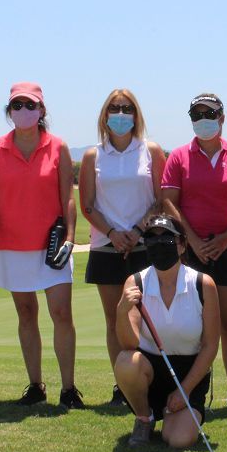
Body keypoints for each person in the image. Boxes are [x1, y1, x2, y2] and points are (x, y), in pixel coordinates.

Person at [0, 81, 83, 408]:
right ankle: (35, 385)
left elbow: (68, 195)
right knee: (26, 313)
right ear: (9, 112)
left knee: (61, 313)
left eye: (30, 105)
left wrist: (69, 236)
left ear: (41, 110)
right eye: (17, 106)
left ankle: (68, 388)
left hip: (51, 244)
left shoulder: (58, 146)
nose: (23, 111)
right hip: (11, 243)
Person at [162, 93, 227, 413]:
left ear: (222, 118)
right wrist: (192, 239)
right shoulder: (179, 156)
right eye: (196, 114)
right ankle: (193, 392)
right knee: (193, 325)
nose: (203, 119)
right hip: (191, 249)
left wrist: (226, 238)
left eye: (209, 113)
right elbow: (169, 200)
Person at [79, 89, 165, 406]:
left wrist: (137, 230)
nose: (120, 113)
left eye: (126, 108)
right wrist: (114, 233)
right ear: (105, 115)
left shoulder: (150, 151)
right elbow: (87, 206)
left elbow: (160, 200)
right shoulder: (93, 155)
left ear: (135, 114)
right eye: (114, 108)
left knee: (149, 318)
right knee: (115, 320)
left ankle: (151, 381)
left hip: (145, 245)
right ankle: (122, 387)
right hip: (106, 245)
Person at [114, 215, 220, 448]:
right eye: (152, 240)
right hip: (151, 369)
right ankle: (145, 417)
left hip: (189, 371)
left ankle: (175, 414)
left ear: (182, 245)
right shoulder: (136, 282)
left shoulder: (203, 284)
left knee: (178, 440)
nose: (159, 246)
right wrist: (122, 311)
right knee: (126, 362)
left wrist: (185, 391)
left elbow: (211, 345)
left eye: (167, 240)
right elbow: (129, 344)